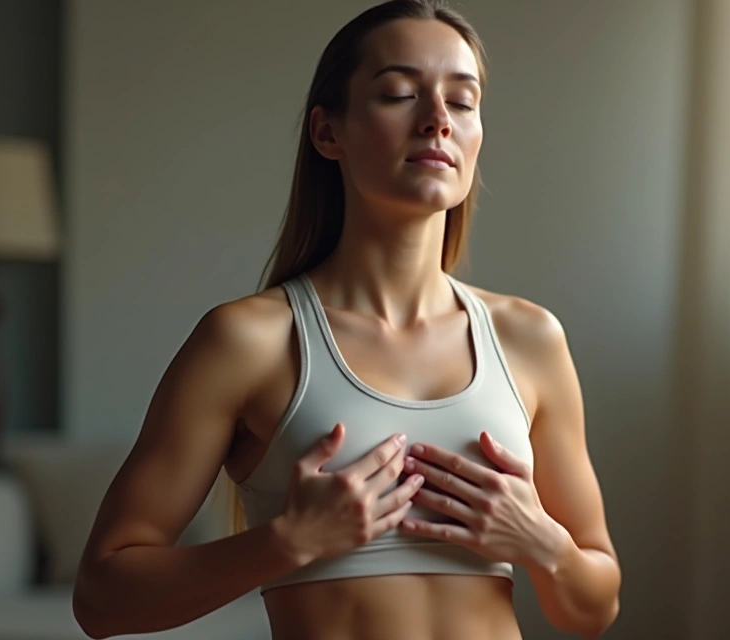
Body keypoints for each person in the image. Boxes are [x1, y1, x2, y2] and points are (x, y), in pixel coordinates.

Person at [71, 1, 621, 638]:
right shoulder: (248, 342)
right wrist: (287, 542)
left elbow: (592, 608)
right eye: (397, 93)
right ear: (327, 132)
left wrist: (539, 542)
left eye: (463, 101)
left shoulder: (530, 339)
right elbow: (101, 598)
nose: (437, 121)